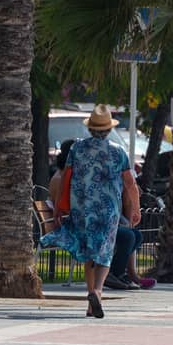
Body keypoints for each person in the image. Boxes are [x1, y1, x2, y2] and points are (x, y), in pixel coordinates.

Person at [39, 106, 141, 318]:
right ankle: (98, 292)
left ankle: (90, 299)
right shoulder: (117, 151)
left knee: (88, 252)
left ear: (91, 129)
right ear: (108, 129)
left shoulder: (77, 149)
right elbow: (130, 183)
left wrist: (59, 206)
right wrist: (136, 208)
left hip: (82, 208)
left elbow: (66, 177)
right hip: (109, 210)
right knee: (104, 252)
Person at [48, 140, 152, 291]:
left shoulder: (72, 174)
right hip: (79, 223)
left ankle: (115, 276)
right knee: (125, 236)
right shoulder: (63, 178)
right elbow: (72, 203)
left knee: (133, 235)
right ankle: (106, 281)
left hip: (87, 220)